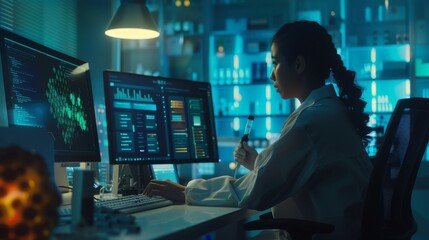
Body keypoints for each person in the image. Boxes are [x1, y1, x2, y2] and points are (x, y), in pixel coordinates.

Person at [143, 20, 373, 240]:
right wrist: (257, 163)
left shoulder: (311, 121)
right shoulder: (330, 111)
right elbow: (296, 171)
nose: (271, 74)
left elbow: (253, 193)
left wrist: (186, 192)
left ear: (299, 65)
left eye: (275, 63)